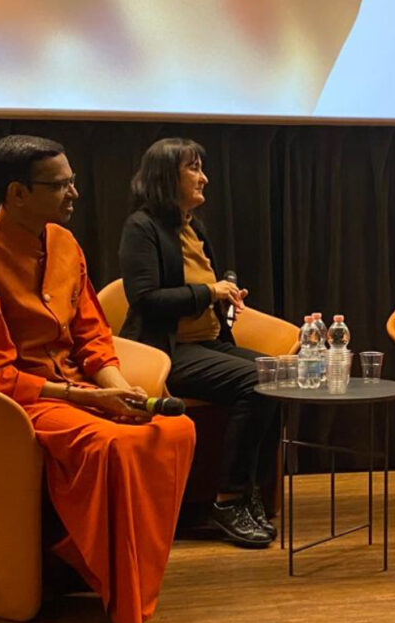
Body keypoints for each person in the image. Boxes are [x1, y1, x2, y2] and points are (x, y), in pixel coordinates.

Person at [0, 135, 195, 623]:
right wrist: (87, 399)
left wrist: (122, 393)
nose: (74, 193)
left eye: (73, 181)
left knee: (173, 428)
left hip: (79, 386)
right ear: (17, 194)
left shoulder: (63, 242)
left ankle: (93, 563)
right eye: (60, 185)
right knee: (112, 446)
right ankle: (99, 569)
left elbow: (93, 335)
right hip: (20, 402)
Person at [118, 138, 278, 549]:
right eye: (194, 168)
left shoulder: (193, 226)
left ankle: (249, 493)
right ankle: (226, 501)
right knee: (255, 383)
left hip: (208, 342)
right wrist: (210, 293)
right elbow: (145, 298)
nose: (204, 177)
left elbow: (204, 287)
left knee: (277, 376)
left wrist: (226, 298)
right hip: (165, 352)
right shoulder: (142, 226)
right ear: (166, 176)